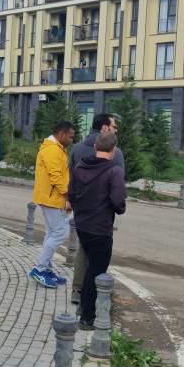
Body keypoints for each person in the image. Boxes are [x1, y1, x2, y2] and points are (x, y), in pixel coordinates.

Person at [67, 131, 127, 330]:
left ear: (95, 147)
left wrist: (81, 212)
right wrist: (119, 209)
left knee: (89, 268)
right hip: (101, 228)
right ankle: (88, 317)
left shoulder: (79, 166)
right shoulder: (114, 171)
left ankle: (83, 305)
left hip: (82, 225)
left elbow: (72, 194)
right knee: (97, 272)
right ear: (113, 149)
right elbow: (118, 201)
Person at [29, 121, 75, 288]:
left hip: (52, 198)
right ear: (61, 134)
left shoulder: (57, 149)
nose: (71, 140)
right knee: (59, 234)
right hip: (52, 198)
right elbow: (56, 178)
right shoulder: (52, 150)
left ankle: (46, 269)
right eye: (70, 137)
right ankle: (40, 270)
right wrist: (68, 198)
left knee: (51, 234)